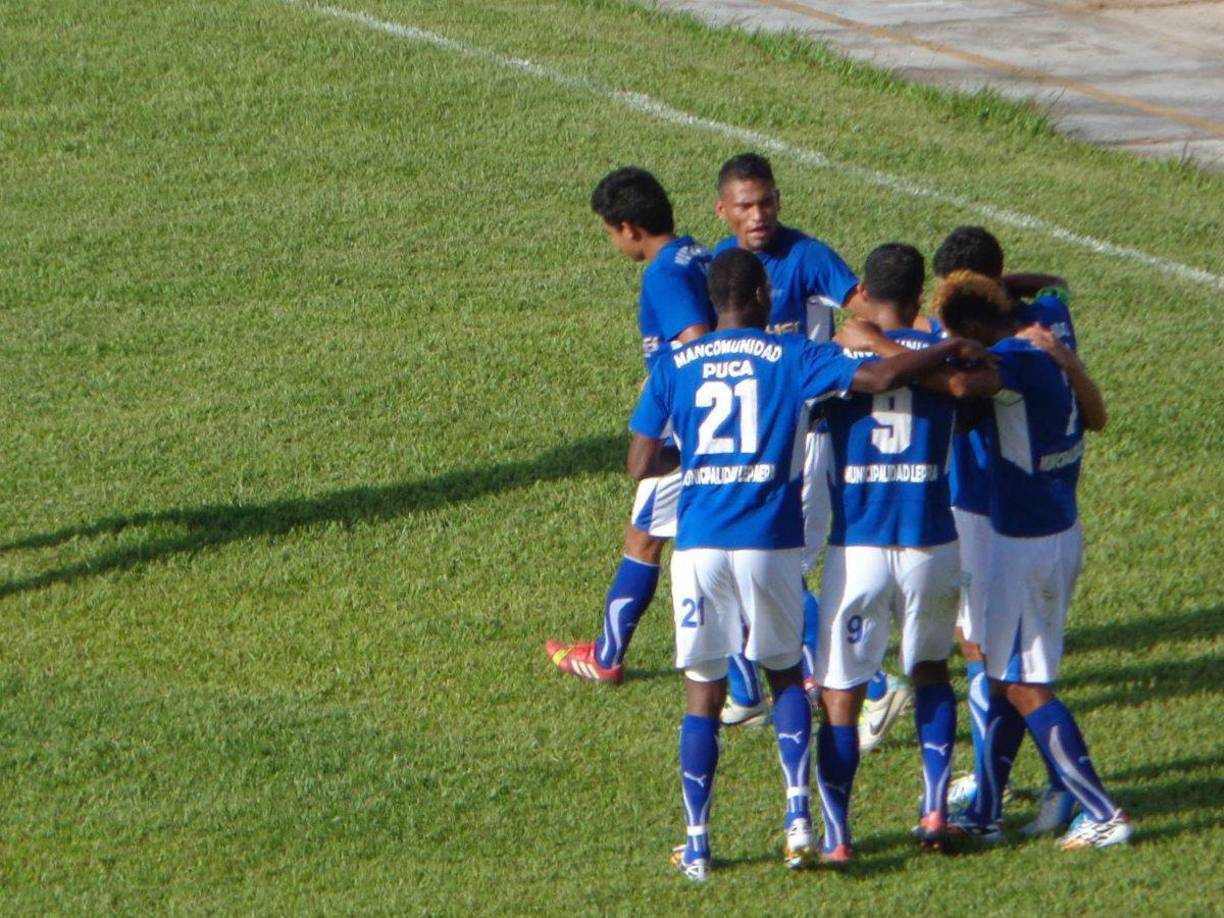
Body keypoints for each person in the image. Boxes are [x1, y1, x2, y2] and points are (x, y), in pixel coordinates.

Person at [627, 248, 985, 880]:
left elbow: (639, 463)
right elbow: (876, 379)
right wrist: (937, 352)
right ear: (764, 296)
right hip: (771, 541)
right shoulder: (791, 356)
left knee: (702, 692)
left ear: (714, 301)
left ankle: (698, 845)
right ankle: (798, 820)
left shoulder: (672, 363)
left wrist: (692, 469)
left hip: (701, 543)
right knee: (788, 676)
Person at [927, 272, 1131, 850]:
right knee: (1001, 670)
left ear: (970, 333)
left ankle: (1099, 808)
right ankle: (988, 809)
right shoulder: (1046, 347)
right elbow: (1096, 415)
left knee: (1025, 685)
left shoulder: (1012, 361)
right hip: (1055, 528)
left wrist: (926, 351)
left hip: (1027, 546)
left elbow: (965, 388)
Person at [712, 152, 910, 742]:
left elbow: (865, 312)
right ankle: (748, 692)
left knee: (774, 568)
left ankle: (874, 684)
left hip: (806, 439)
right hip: (757, 440)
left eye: (767, 202)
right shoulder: (723, 270)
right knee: (754, 564)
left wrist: (892, 343)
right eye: (745, 206)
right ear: (723, 210)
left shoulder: (807, 256)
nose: (758, 215)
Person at [810, 244, 964, 856]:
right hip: (931, 542)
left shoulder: (840, 355)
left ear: (865, 293)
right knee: (930, 673)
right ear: (921, 290)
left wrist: (863, 339)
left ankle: (839, 835)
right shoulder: (942, 359)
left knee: (842, 695)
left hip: (860, 547)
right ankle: (932, 812)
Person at [931, 226, 1084, 837]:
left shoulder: (1001, 351)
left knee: (987, 648)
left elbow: (965, 378)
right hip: (1045, 500)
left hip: (986, 497)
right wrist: (1024, 282)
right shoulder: (1051, 319)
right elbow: (1039, 297)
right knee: (1005, 652)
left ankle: (1057, 787)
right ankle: (996, 781)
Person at [545, 167, 713, 685]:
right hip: (722, 418)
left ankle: (607, 657)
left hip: (691, 426)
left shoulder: (663, 272)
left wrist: (666, 398)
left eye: (610, 231)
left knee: (646, 539)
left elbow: (696, 339)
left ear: (628, 228)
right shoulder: (700, 253)